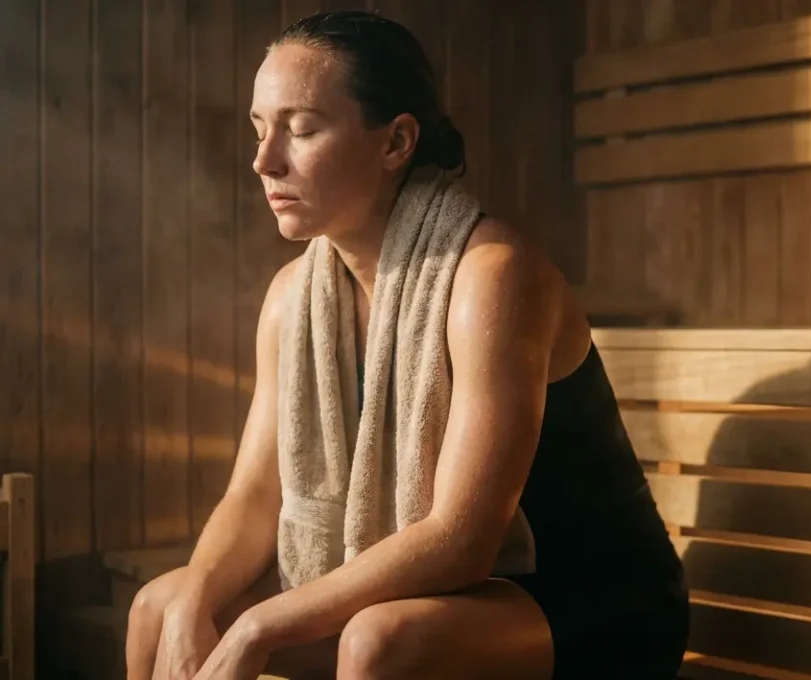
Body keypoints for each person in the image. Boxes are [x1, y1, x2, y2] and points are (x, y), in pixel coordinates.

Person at [125, 10, 688, 680]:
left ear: (395, 142)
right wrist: (195, 599)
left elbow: (462, 541)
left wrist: (258, 624)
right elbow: (253, 498)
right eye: (260, 129)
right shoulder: (291, 299)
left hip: (591, 601)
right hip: (450, 601)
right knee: (159, 609)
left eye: (301, 129)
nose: (264, 160)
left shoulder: (492, 278)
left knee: (377, 643)